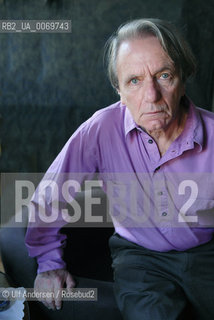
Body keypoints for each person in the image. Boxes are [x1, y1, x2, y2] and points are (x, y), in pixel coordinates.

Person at [25, 18, 214, 319]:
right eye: (134, 81)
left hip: (206, 251)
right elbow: (50, 195)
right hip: (139, 257)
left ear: (183, 77)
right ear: (119, 90)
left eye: (164, 75)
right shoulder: (100, 129)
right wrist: (49, 263)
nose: (151, 96)